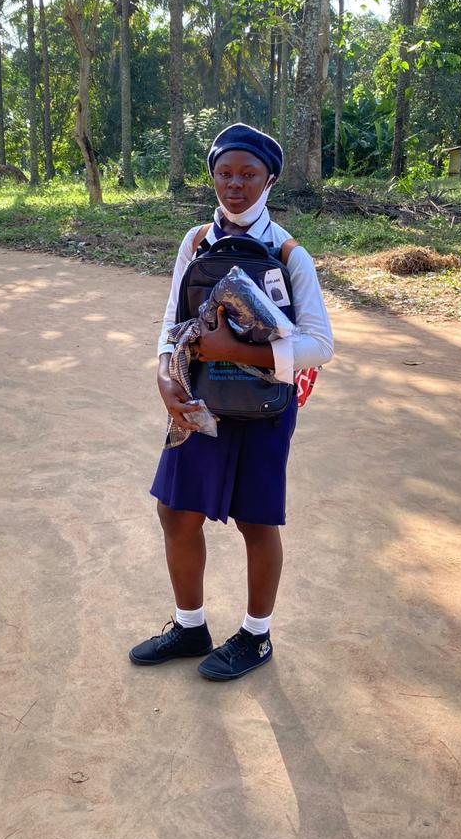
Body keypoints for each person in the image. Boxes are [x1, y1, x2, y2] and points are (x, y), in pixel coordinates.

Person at [129, 124, 335, 680]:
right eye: (224, 174)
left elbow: (321, 345)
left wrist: (235, 349)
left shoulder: (289, 253)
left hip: (265, 408)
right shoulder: (195, 243)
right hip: (200, 400)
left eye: (248, 175)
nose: (235, 186)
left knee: (256, 521)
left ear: (270, 179)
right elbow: (175, 319)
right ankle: (190, 626)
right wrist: (164, 375)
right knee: (175, 511)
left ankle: (256, 637)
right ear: (212, 177)